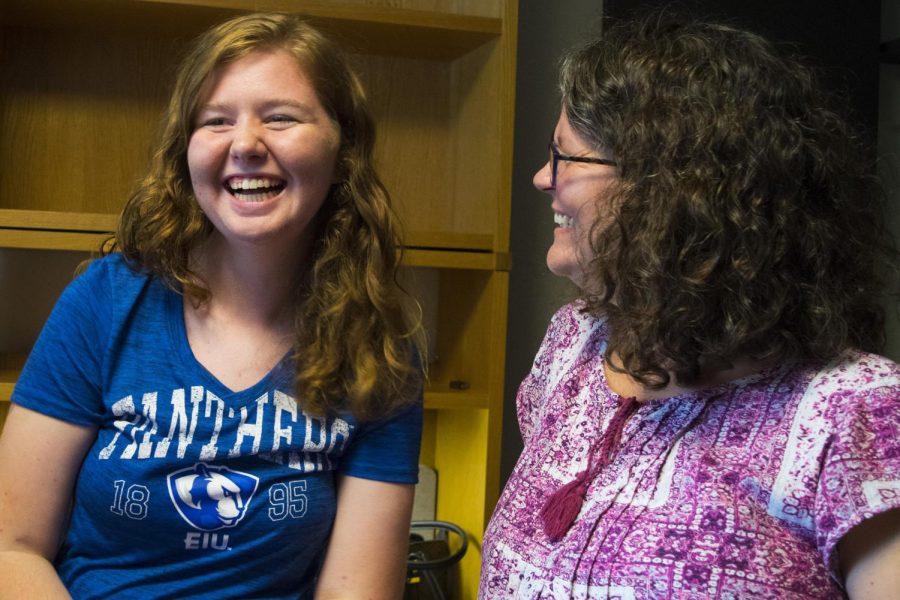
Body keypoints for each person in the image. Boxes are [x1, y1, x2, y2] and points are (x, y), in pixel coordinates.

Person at [0, 12, 424, 599]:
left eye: (281, 118)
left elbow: (356, 591)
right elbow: (12, 548)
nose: (246, 144)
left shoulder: (379, 343)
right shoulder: (104, 301)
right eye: (215, 121)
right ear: (187, 152)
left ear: (342, 150)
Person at [481, 11, 900, 600]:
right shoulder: (573, 344)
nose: (541, 180)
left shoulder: (856, 411)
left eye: (566, 157)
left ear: (670, 191)